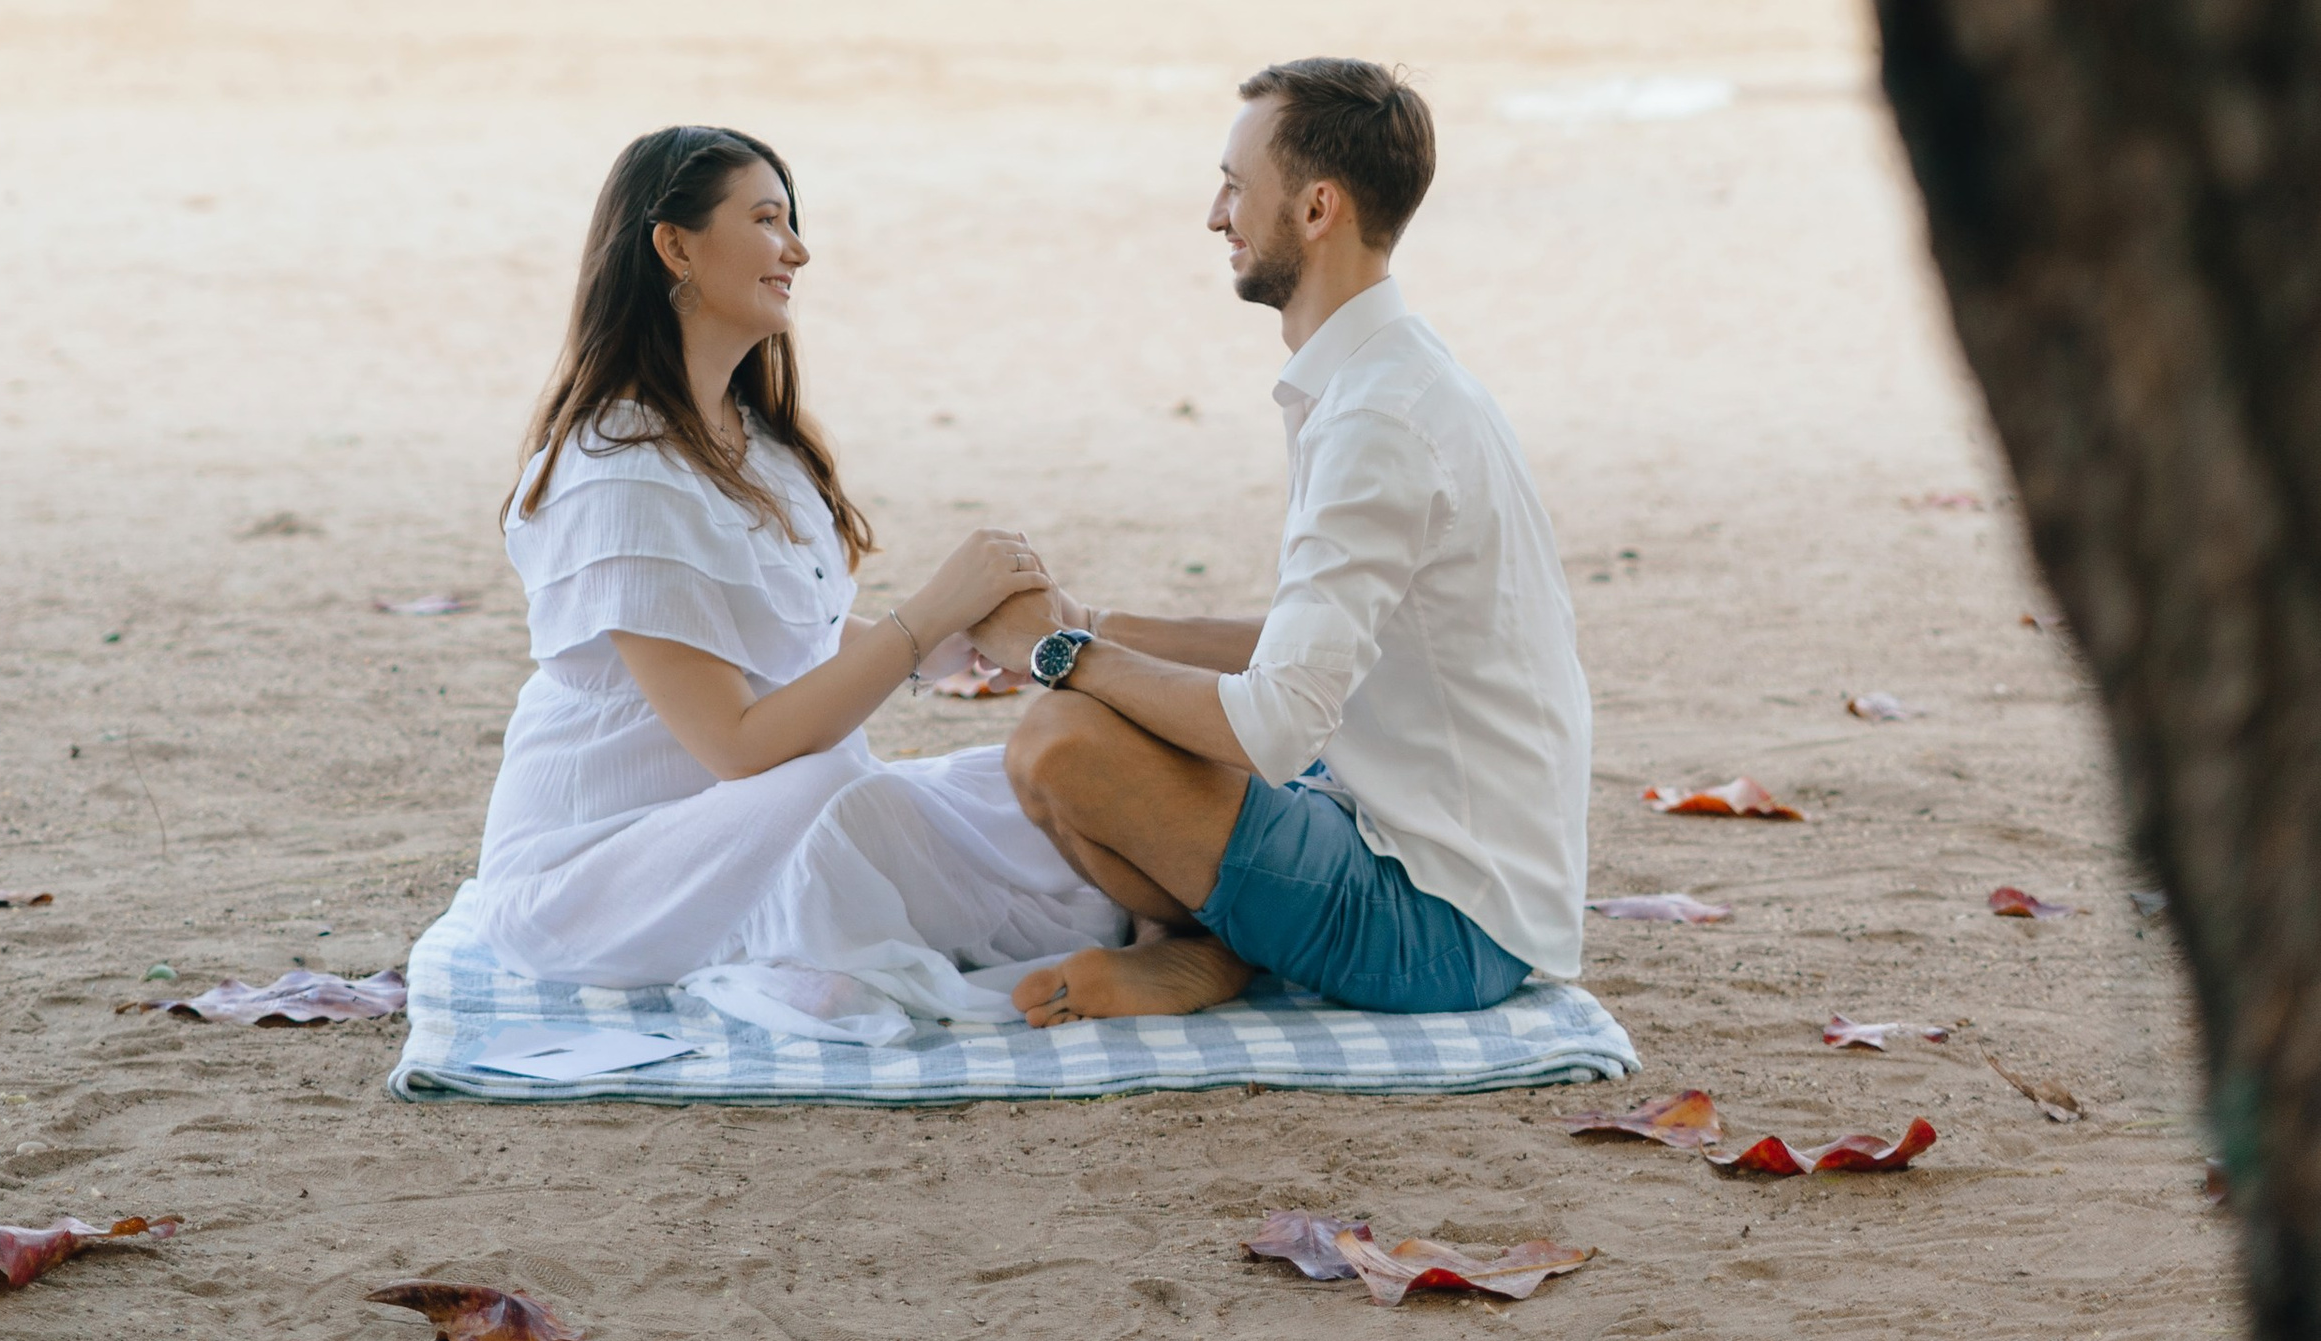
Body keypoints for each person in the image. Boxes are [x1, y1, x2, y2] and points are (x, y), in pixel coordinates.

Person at [429, 122, 1126, 1041]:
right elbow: (740, 747)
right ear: (675, 245)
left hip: (749, 817)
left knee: (1022, 787)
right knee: (842, 792)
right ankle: (822, 949)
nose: (797, 250)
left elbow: (795, 636)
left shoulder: (753, 442)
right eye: (766, 220)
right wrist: (929, 614)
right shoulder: (616, 474)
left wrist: (962, 643)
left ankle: (1137, 925)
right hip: (599, 871)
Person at [994, 57, 1591, 1025]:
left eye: (1234, 185)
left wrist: (1061, 655)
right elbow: (1310, 647)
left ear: (1316, 209)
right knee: (1089, 721)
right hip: (1405, 844)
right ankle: (1202, 948)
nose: (1214, 215)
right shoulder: (1383, 379)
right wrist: (1093, 625)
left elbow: (1273, 726)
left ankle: (1209, 949)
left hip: (1447, 926)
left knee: (1062, 742)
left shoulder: (1379, 421)